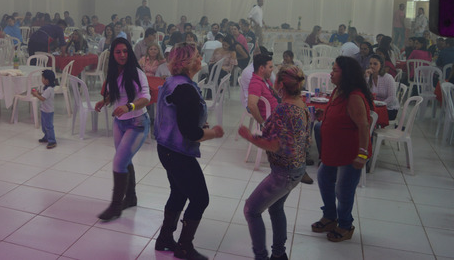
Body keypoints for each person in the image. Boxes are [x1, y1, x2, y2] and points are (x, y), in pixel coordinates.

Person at [154, 42, 224, 259]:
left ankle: (165, 239)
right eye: (197, 56)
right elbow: (190, 133)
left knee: (179, 191)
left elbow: (179, 117)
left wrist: (199, 124)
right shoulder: (185, 89)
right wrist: (214, 132)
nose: (201, 59)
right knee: (200, 198)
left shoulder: (173, 82)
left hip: (165, 148)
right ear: (187, 62)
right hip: (177, 153)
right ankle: (184, 247)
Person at [239, 65, 311, 260]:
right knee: (276, 207)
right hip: (296, 169)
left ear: (279, 84)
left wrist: (249, 137)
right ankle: (279, 255)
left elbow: (275, 145)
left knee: (251, 210)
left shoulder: (284, 109)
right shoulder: (301, 104)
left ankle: (261, 256)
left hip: (284, 173)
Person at [312, 56, 372, 242]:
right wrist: (326, 115)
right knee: (323, 178)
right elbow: (342, 115)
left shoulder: (353, 96)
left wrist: (362, 155)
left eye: (335, 70)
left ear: (346, 74)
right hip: (334, 150)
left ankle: (345, 224)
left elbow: (363, 126)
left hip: (350, 152)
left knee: (343, 190)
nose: (331, 72)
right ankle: (330, 216)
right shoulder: (339, 90)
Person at [94, 38, 151, 221]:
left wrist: (129, 106)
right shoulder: (112, 72)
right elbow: (115, 94)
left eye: (125, 51)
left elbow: (146, 97)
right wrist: (105, 101)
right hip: (120, 123)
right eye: (118, 52)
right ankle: (131, 198)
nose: (122, 55)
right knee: (124, 160)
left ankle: (116, 206)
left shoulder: (136, 72)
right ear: (113, 54)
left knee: (119, 162)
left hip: (138, 122)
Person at [366, 54, 399, 121]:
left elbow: (392, 97)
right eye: (370, 64)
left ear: (381, 65)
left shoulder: (388, 78)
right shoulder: (369, 77)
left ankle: (371, 130)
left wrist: (379, 105)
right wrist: (367, 77)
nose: (372, 66)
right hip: (374, 107)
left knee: (370, 115)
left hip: (389, 108)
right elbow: (366, 93)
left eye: (375, 64)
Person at [247, 53, 278, 126]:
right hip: (274, 119)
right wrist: (263, 123)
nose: (272, 69)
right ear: (261, 68)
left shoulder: (265, 79)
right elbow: (251, 105)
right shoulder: (256, 84)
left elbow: (275, 92)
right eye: (270, 67)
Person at [32, 69, 58, 149]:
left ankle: (52, 140)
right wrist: (38, 93)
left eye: (42, 78)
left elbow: (43, 98)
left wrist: (36, 95)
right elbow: (43, 95)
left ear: (47, 80)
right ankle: (47, 137)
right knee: (44, 125)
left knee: (48, 126)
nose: (42, 80)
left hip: (48, 111)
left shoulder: (49, 89)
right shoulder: (46, 88)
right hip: (44, 110)